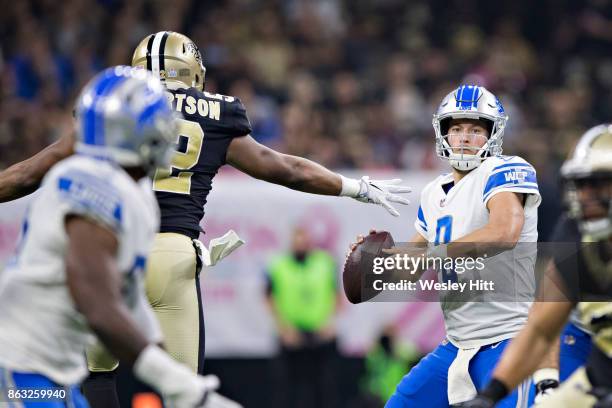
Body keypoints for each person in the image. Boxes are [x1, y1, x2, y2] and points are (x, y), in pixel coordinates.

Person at [0, 31, 411, 407]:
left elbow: (26, 175)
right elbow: (284, 167)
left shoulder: (110, 145)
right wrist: (353, 187)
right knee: (179, 385)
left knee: (95, 375)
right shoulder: (206, 121)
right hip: (171, 254)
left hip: (113, 262)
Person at [0, 66, 238, 408]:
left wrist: (181, 382)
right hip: (22, 370)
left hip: (56, 374)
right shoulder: (88, 181)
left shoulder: (135, 195)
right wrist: (173, 379)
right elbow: (98, 304)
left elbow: (129, 299)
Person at [349, 84, 543, 407]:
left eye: (475, 129)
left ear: (493, 135)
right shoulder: (433, 192)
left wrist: (432, 253)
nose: (464, 137)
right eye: (456, 128)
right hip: (455, 345)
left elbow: (505, 231)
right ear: (443, 134)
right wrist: (376, 263)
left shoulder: (506, 169)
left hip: (507, 340)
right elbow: (410, 270)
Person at [460, 124, 612, 408]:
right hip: (600, 377)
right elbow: (541, 329)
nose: (587, 197)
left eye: (600, 183)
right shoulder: (576, 234)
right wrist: (490, 394)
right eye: (582, 185)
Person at [265, 227, 340, 408]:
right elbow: (269, 297)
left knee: (324, 387)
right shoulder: (278, 265)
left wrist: (330, 323)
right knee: (288, 388)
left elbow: (336, 294)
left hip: (320, 333)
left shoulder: (325, 263)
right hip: (291, 334)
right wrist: (283, 327)